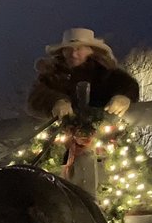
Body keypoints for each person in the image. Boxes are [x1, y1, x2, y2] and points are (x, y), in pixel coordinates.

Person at [26, 28, 140, 192]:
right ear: (62, 52)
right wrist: (56, 101)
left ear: (91, 50)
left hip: (105, 150)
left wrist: (124, 97)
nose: (74, 53)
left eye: (79, 48)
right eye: (69, 49)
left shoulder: (107, 74)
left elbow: (128, 85)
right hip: (59, 151)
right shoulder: (52, 76)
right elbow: (35, 98)